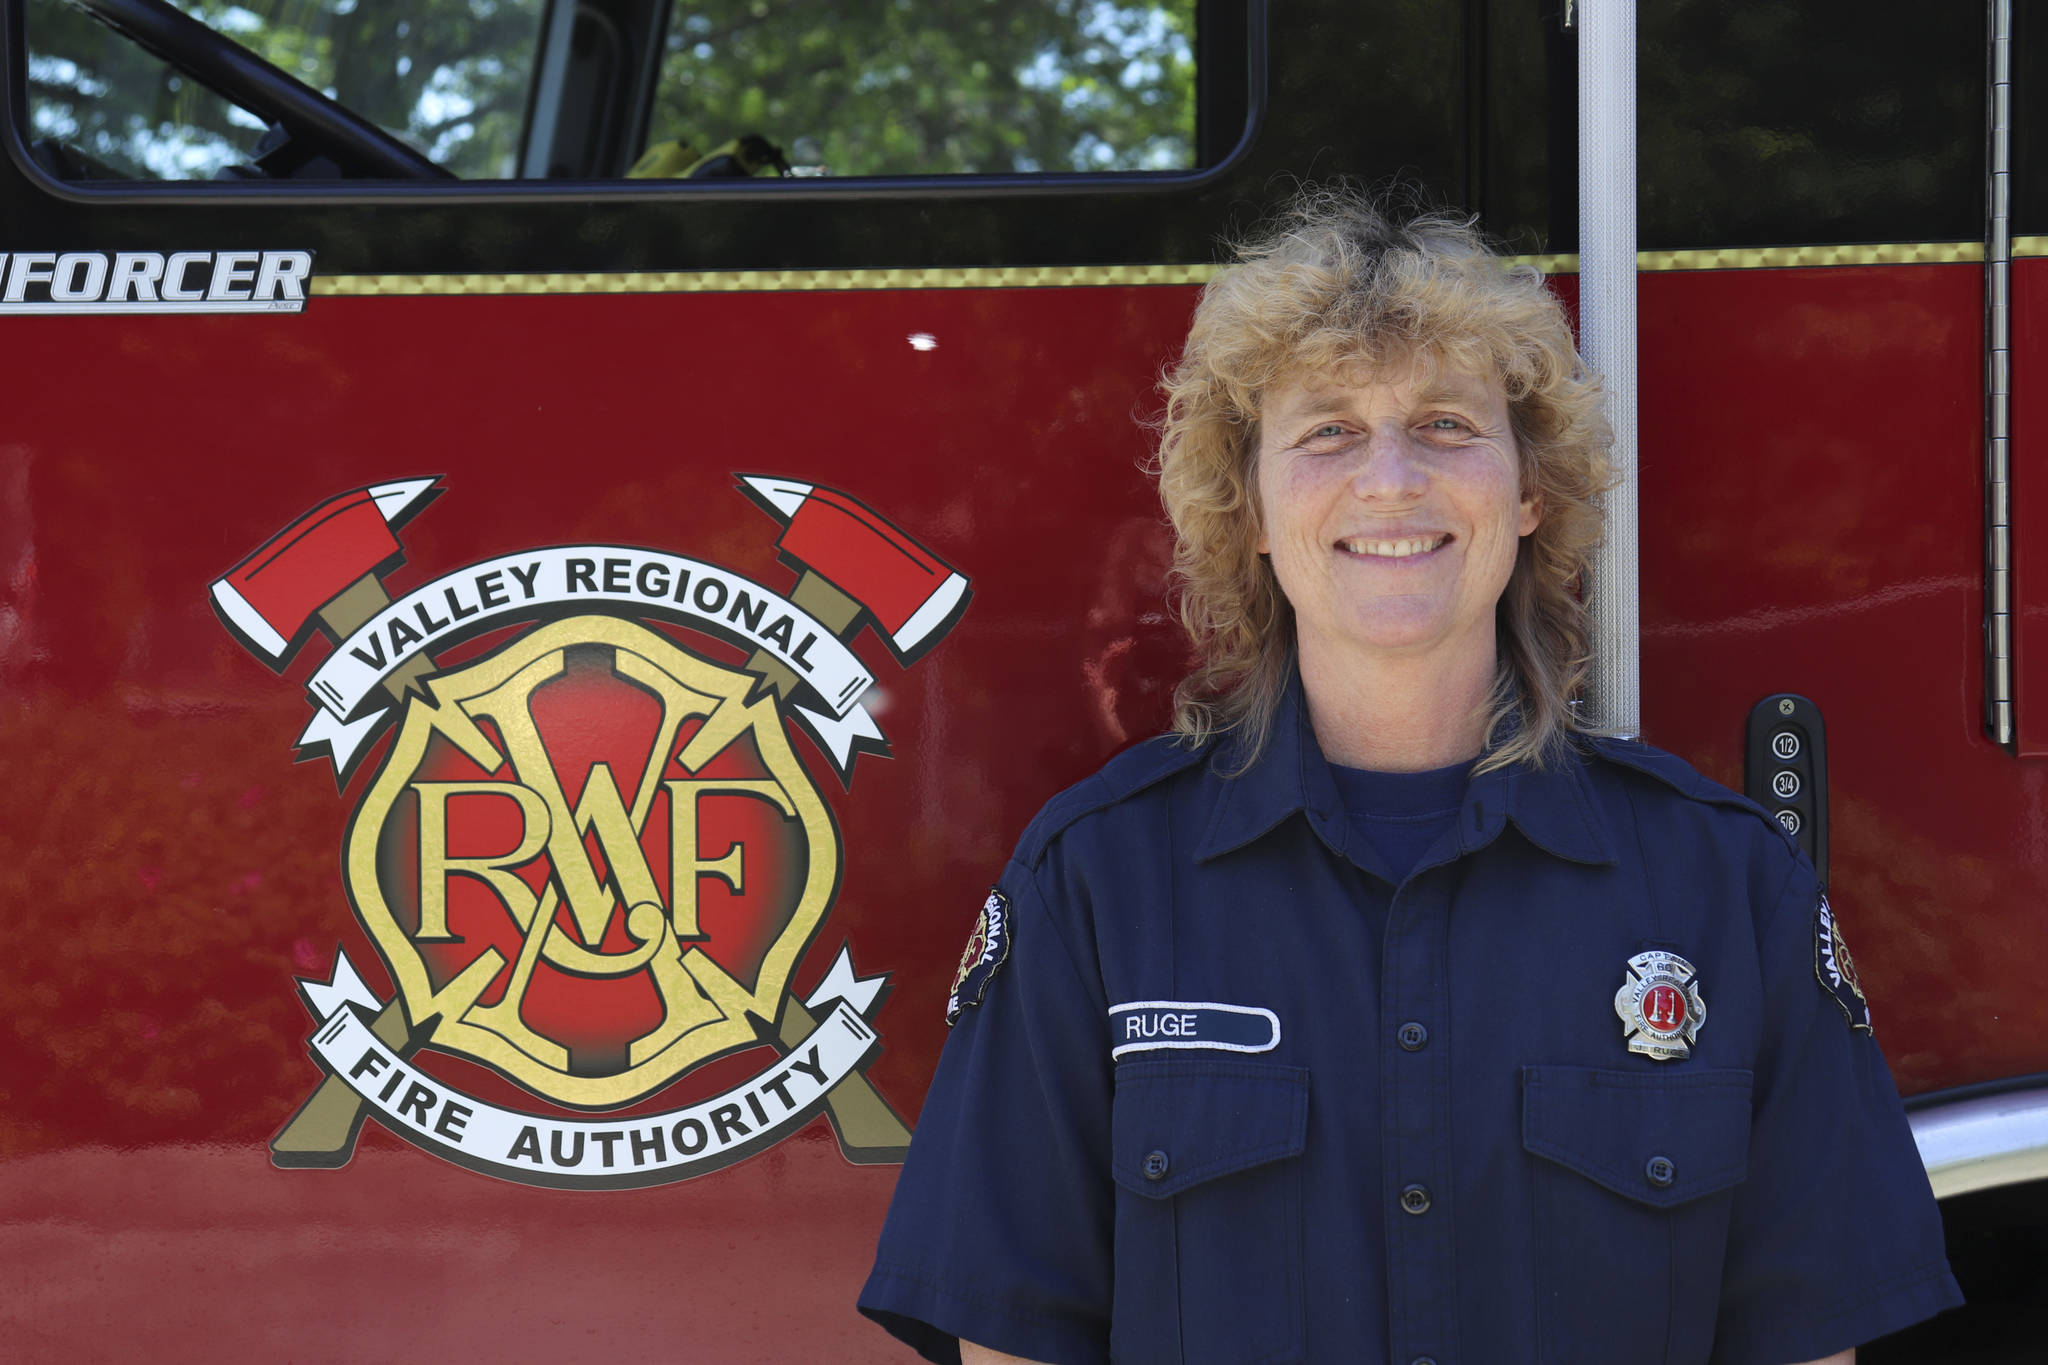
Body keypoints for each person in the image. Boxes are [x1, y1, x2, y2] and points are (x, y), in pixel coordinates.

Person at [857, 188, 1961, 1365]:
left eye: (1444, 423)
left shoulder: (1723, 885)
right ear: (1255, 512)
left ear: (1529, 493)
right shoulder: (1096, 883)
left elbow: (1809, 1344)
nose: (1389, 479)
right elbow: (1013, 1342)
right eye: (1326, 429)